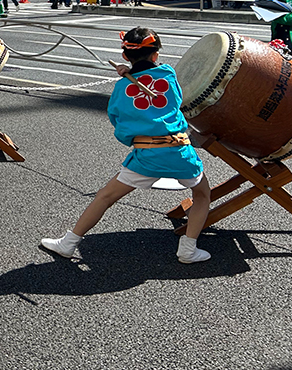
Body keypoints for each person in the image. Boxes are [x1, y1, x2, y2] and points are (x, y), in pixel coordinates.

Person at [40, 27, 211, 264]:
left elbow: (117, 120)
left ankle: (69, 243)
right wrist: (132, 72)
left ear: (124, 55)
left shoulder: (121, 88)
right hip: (180, 152)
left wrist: (128, 75)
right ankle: (188, 250)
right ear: (156, 54)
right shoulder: (169, 74)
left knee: (105, 197)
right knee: (202, 194)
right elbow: (175, 98)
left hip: (147, 156)